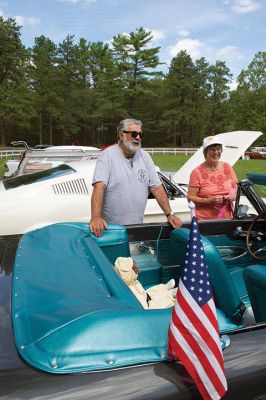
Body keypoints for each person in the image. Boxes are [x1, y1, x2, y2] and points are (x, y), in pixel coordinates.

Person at [89, 118, 182, 236]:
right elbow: (99, 187)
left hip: (137, 227)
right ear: (122, 136)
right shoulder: (107, 156)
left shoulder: (145, 156)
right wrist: (96, 217)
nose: (137, 137)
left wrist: (169, 214)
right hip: (111, 229)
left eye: (140, 134)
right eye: (134, 134)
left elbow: (157, 188)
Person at [187, 135, 237, 220]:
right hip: (206, 221)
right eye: (212, 149)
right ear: (205, 152)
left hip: (227, 219)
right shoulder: (197, 172)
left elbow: (237, 191)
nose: (216, 152)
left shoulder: (227, 167)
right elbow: (190, 198)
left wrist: (232, 197)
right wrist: (208, 200)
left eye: (218, 149)